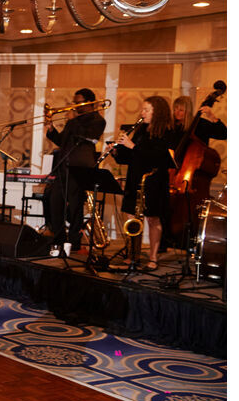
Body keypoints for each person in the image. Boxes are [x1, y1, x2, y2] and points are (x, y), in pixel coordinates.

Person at [111, 96, 174, 271]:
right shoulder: (141, 130)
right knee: (131, 217)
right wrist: (117, 151)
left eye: (146, 110)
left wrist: (132, 147)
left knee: (153, 218)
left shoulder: (166, 132)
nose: (142, 113)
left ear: (157, 112)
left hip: (153, 180)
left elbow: (158, 158)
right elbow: (131, 157)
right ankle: (133, 255)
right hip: (135, 178)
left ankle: (153, 257)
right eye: (142, 109)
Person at [43, 88, 106, 253]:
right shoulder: (73, 122)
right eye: (75, 102)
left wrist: (74, 121)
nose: (75, 105)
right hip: (63, 167)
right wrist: (50, 128)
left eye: (79, 102)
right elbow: (61, 141)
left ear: (89, 103)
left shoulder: (98, 120)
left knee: (75, 207)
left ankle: (74, 242)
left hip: (80, 168)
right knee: (54, 203)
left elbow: (89, 138)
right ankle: (58, 240)